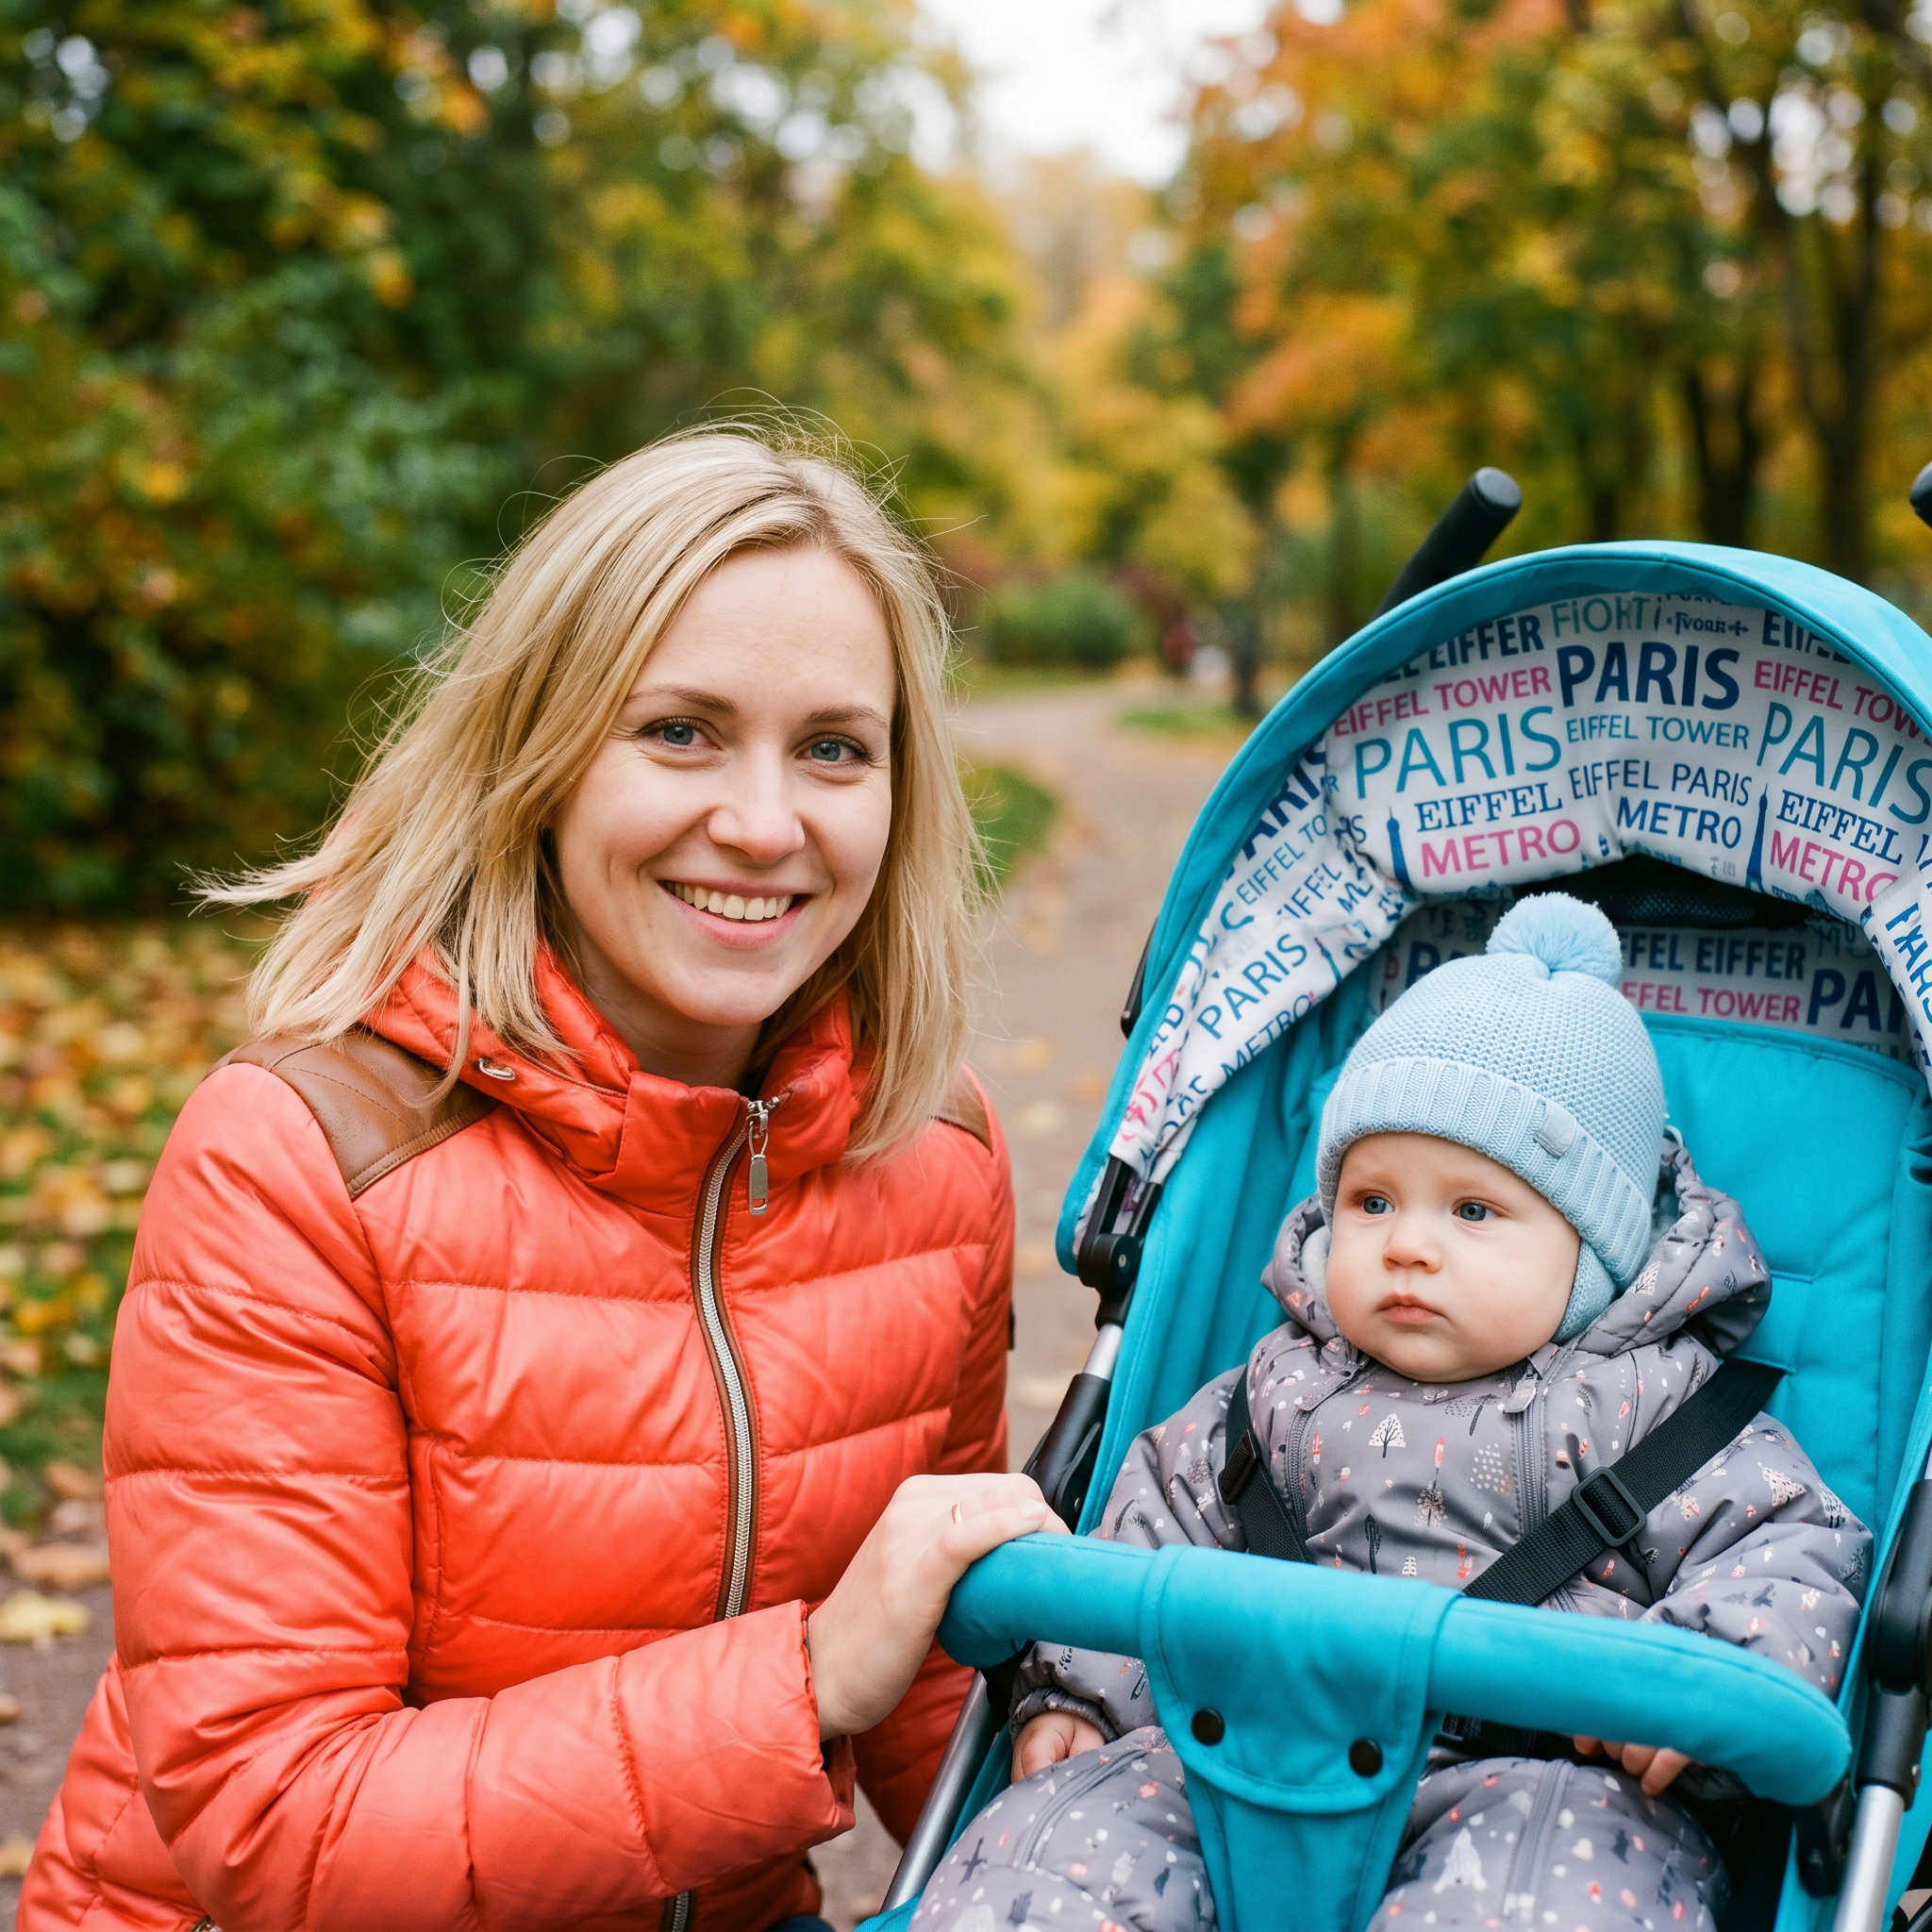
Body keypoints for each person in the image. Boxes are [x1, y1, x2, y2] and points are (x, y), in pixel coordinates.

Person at [23, 429, 1061, 1932]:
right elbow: (277, 1821)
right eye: (681, 732)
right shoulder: (302, 1162)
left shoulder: (930, 1155)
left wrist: (1084, 1798)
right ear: (545, 755)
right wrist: (806, 1679)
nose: (765, 824)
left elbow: (919, 1675)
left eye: (835, 748)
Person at [917, 893, 1869, 1932]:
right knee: (1058, 1838)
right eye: (1372, 1201)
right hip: (1243, 1765)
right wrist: (1078, 1692)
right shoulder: (1272, 1391)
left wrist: (1698, 1676)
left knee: (1550, 1891)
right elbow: (1149, 1532)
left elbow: (1788, 1547)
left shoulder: (1654, 1409)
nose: (1407, 1244)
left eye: (1473, 1209)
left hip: (1539, 1781)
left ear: (1597, 1252)